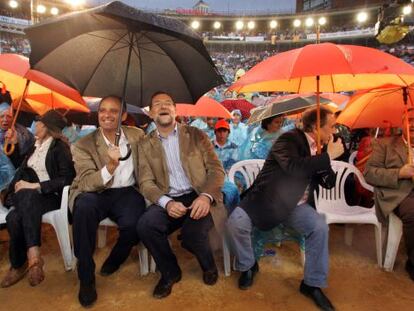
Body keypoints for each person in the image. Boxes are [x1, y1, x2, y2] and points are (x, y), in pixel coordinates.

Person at [226, 106, 344, 311]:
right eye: (331, 127)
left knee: (319, 228)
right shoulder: (288, 139)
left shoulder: (321, 148)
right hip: (267, 200)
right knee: (235, 223)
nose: (334, 132)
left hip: (296, 206)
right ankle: (248, 265)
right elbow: (293, 167)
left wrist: (326, 161)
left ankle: (311, 284)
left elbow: (329, 183)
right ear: (316, 127)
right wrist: (326, 158)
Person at [137, 91, 226, 299]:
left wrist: (205, 196)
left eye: (168, 103)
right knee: (145, 226)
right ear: (151, 114)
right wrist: (166, 203)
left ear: (176, 110)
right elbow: (145, 182)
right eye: (157, 104)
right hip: (169, 199)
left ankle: (208, 266)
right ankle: (170, 272)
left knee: (192, 235)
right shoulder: (144, 145)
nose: (163, 107)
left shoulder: (196, 135)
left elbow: (216, 170)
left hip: (198, 194)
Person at [69, 95, 147, 307]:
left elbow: (151, 160)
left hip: (127, 191)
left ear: (123, 115)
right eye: (103, 110)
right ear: (98, 114)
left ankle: (117, 257)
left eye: (114, 111)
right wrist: (110, 167)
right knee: (83, 208)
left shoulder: (137, 135)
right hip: (96, 192)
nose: (107, 115)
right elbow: (85, 182)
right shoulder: (83, 144)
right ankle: (86, 277)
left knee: (135, 223)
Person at [1, 110, 75, 288]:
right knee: (16, 212)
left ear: (48, 128)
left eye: (41, 123)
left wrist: (36, 186)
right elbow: (23, 165)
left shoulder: (59, 148)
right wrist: (12, 145)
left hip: (50, 197)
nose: (37, 125)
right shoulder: (35, 145)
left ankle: (25, 261)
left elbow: (67, 178)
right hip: (27, 197)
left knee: (14, 216)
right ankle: (28, 261)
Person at [364, 108, 414, 282]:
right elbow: (369, 173)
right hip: (396, 195)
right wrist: (400, 173)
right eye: (411, 120)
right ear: (403, 123)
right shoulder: (384, 144)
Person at [213, 119, 240, 214]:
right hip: (211, 175)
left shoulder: (233, 147)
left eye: (224, 131)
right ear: (215, 132)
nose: (221, 134)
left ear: (228, 133)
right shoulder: (209, 146)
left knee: (229, 191)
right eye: (219, 131)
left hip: (226, 175)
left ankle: (229, 213)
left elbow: (232, 164)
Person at [0, 102, 35, 168]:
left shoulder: (24, 134)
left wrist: (15, 142)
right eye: (2, 116)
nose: (5, 119)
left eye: (9, 116)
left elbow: (19, 162)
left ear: (13, 118)